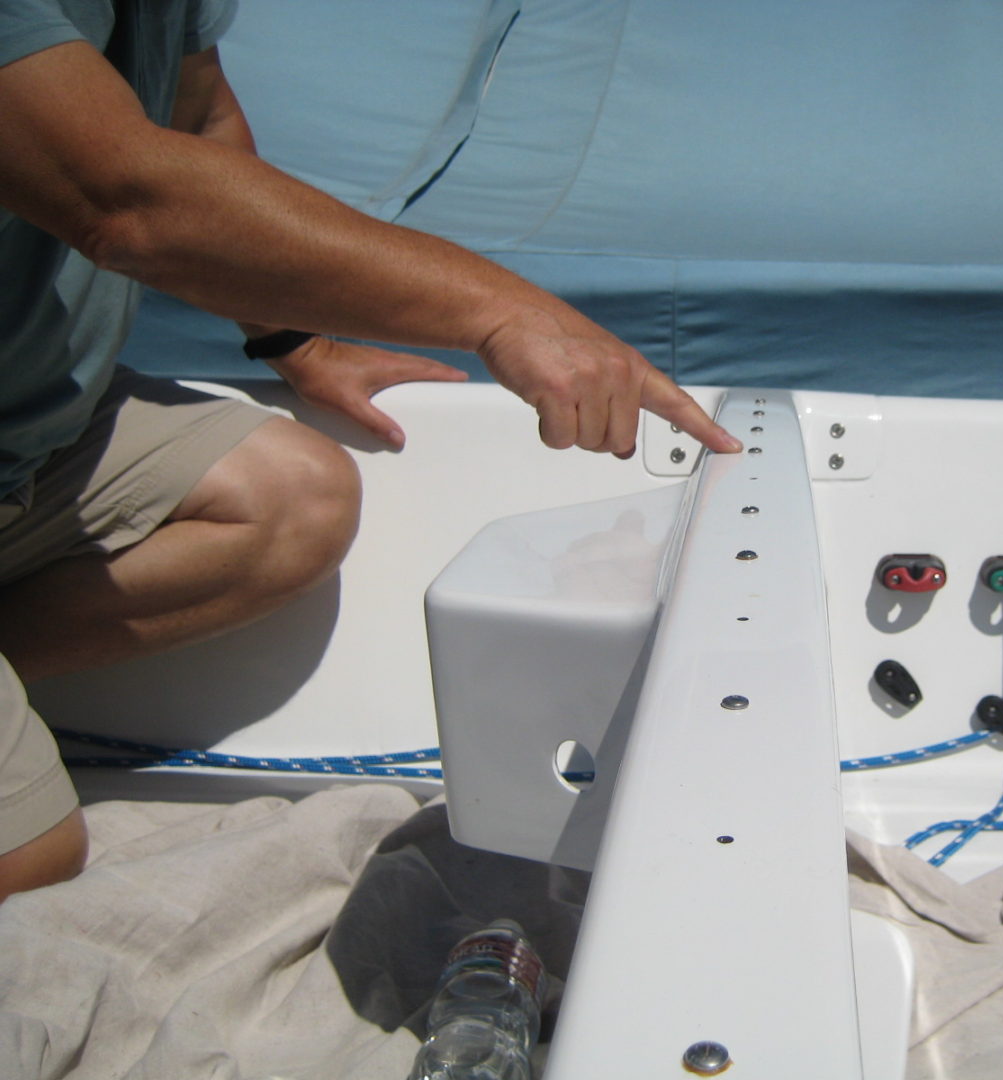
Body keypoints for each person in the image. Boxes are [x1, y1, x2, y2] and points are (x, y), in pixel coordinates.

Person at [0, 0, 741, 903]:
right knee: (33, 861)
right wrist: (505, 311)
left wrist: (296, 342)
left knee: (294, 499)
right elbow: (120, 196)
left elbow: (199, 120)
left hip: (36, 442)